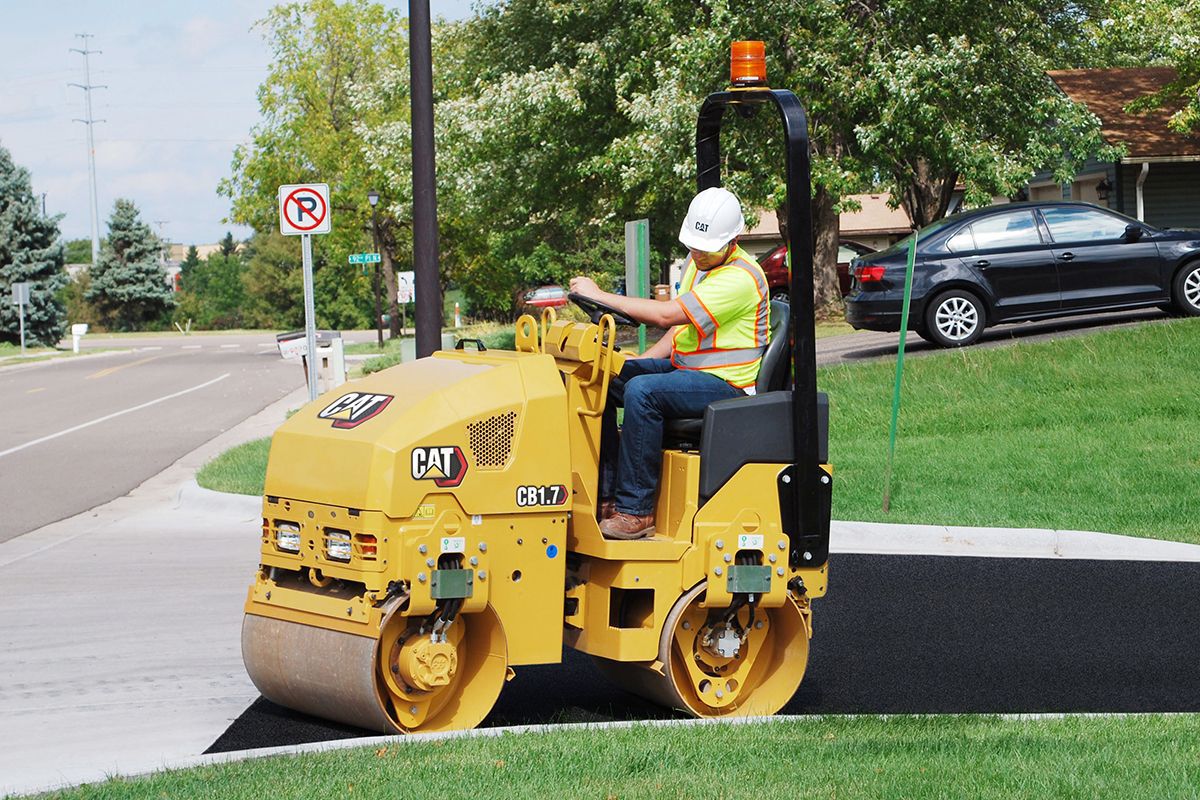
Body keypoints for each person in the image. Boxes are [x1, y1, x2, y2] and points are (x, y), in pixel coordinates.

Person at [568, 187, 770, 540]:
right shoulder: (698, 265)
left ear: (734, 239)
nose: (698, 253)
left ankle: (636, 512)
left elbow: (667, 315)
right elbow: (680, 330)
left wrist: (599, 295)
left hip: (728, 384)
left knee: (643, 391)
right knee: (602, 377)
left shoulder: (740, 278)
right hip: (688, 372)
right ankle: (604, 496)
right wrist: (635, 363)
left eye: (707, 248)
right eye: (694, 245)